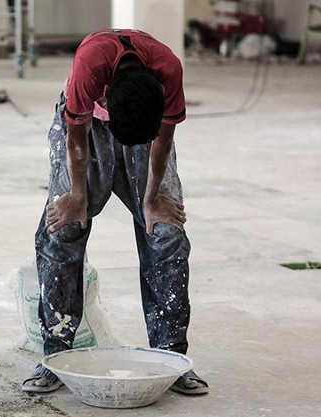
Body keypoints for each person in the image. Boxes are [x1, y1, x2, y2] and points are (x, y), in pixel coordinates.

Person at [22, 29, 208, 395]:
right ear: (104, 93)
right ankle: (55, 355)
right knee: (62, 228)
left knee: (167, 233)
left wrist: (152, 199)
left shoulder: (169, 70)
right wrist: (77, 195)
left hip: (144, 129)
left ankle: (171, 357)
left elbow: (163, 139)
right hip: (85, 130)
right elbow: (76, 139)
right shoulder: (89, 66)